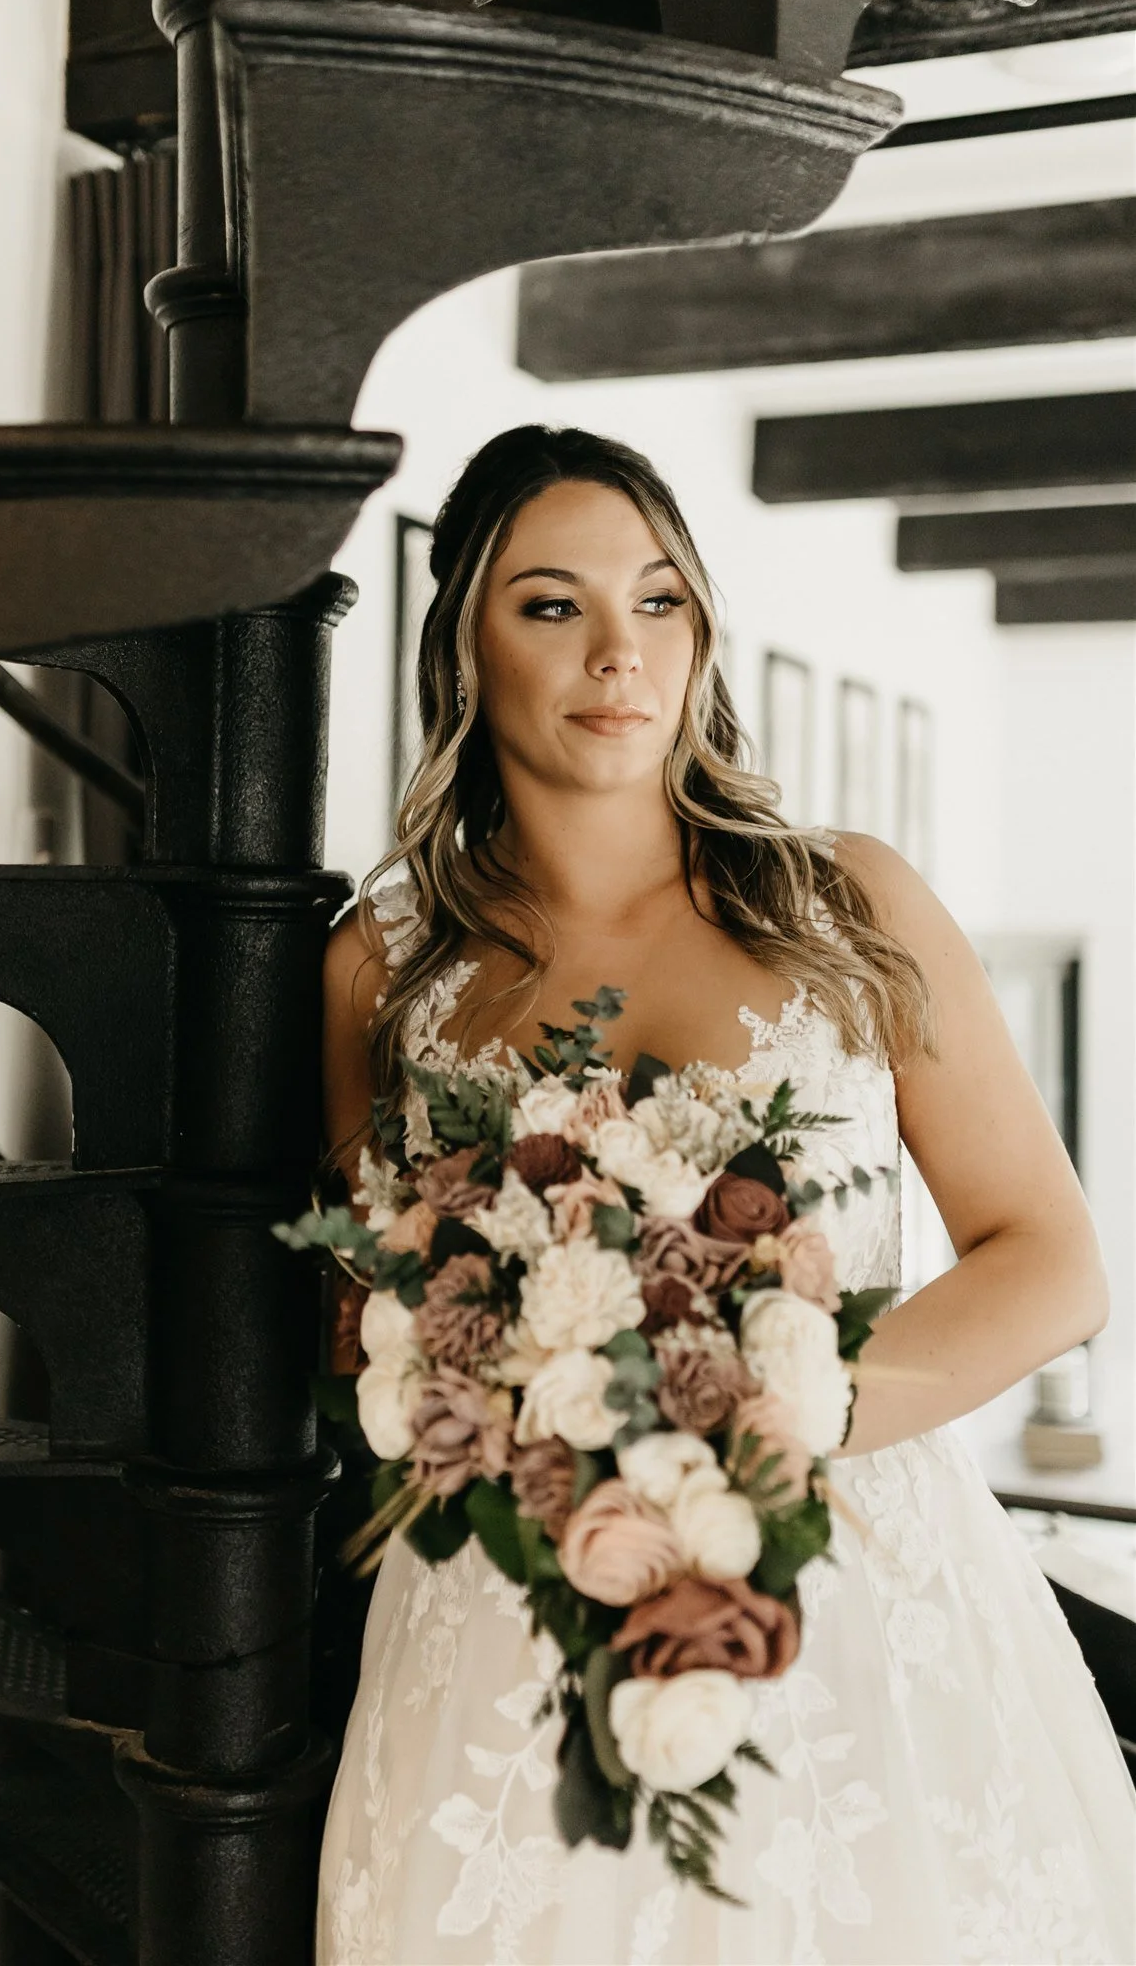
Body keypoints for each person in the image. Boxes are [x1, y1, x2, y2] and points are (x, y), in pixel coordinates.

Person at [312, 424, 1136, 1964]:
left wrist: (786, 1411)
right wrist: (503, 1374)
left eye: (663, 601)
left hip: (855, 1609)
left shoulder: (848, 902)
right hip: (517, 1617)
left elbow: (1053, 1262)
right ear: (466, 651)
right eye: (552, 605)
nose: (621, 652)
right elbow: (362, 1310)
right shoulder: (387, 967)